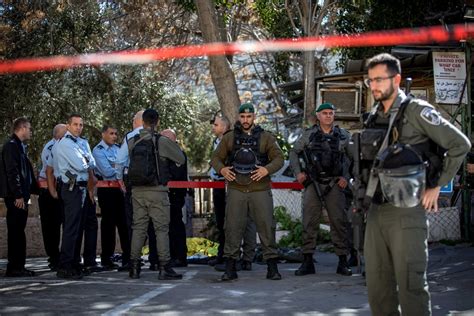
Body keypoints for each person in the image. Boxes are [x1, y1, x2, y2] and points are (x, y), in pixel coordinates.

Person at [360, 53, 470, 315]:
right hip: (376, 211)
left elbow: (460, 145)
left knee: (411, 287)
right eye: (370, 80)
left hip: (407, 211)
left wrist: (436, 186)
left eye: (379, 79)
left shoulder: (417, 111)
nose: (374, 85)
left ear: (396, 79)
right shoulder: (374, 115)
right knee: (378, 290)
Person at [211, 103, 284, 281]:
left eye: (249, 117)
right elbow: (216, 158)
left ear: (254, 117)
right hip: (237, 188)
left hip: (260, 188)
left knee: (266, 226)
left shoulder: (265, 137)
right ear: (239, 118)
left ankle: (272, 267)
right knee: (233, 227)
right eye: (242, 117)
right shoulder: (229, 138)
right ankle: (230, 267)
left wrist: (266, 170)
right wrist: (222, 170)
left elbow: (279, 158)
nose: (245, 120)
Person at [289, 102, 353, 276]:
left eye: (331, 113)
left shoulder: (343, 136)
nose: (328, 116)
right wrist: (298, 173)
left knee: (339, 222)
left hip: (334, 184)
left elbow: (353, 158)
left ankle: (342, 262)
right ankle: (307, 261)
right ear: (318, 116)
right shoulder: (308, 135)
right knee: (309, 221)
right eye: (324, 113)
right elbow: (294, 152)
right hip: (313, 183)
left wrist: (345, 178)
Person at [127, 108, 185, 280]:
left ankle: (134, 267)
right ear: (157, 122)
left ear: (142, 122)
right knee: (161, 230)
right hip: (158, 191)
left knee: (138, 228)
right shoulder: (161, 141)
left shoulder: (133, 141)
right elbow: (180, 159)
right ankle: (164, 267)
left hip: (137, 191)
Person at [208, 114, 257, 271]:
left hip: (231, 185)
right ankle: (224, 255)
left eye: (216, 125)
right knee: (223, 221)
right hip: (220, 184)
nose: (213, 127)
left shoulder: (230, 141)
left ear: (224, 126)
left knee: (235, 222)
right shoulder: (218, 141)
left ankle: (236, 258)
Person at [54, 113, 96, 279]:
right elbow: (80, 165)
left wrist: (86, 160)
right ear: (68, 125)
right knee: (71, 228)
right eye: (75, 124)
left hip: (82, 188)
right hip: (72, 189)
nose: (78, 127)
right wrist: (86, 160)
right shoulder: (65, 143)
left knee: (79, 228)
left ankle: (74, 263)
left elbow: (92, 163)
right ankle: (64, 265)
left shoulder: (82, 142)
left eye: (81, 124)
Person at [0, 117, 39, 277]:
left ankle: (19, 265)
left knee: (19, 231)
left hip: (22, 195)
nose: (30, 131)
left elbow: (25, 172)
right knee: (16, 232)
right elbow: (12, 172)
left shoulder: (19, 147)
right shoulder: (11, 146)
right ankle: (15, 267)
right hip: (16, 197)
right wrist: (17, 195)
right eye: (29, 128)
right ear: (22, 128)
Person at [93, 125, 130, 270]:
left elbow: (126, 167)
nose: (114, 136)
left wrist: (117, 167)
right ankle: (106, 258)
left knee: (124, 224)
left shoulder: (118, 149)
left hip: (120, 191)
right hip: (107, 192)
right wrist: (118, 168)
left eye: (115, 133)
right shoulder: (98, 150)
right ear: (103, 134)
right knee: (109, 225)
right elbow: (107, 171)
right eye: (111, 133)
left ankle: (128, 257)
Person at [38, 124, 67, 271]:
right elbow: (53, 168)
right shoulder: (50, 147)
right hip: (48, 191)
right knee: (51, 228)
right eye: (63, 134)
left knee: (64, 224)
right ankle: (54, 257)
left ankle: (63, 256)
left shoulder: (65, 145)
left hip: (60, 189)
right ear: (56, 135)